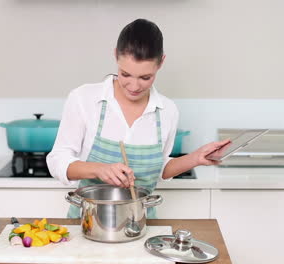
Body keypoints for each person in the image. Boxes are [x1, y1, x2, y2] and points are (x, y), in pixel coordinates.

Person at [46, 18, 230, 219]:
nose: (134, 87)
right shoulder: (84, 99)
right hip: (88, 224)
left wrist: (195, 158)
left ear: (161, 62)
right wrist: (98, 170)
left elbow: (160, 168)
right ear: (115, 55)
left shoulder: (167, 110)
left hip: (141, 225)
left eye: (145, 78)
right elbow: (57, 160)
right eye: (125, 74)